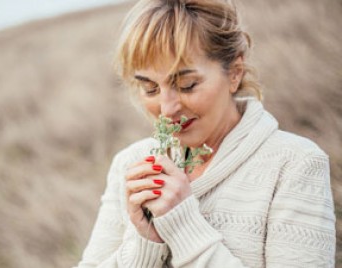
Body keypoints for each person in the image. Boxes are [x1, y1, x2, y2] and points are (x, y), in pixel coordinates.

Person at [76, 0, 336, 267]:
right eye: (150, 89)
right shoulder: (130, 164)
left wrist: (182, 226)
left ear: (235, 73)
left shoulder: (296, 164)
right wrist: (144, 244)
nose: (167, 108)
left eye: (187, 85)